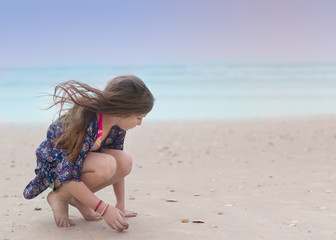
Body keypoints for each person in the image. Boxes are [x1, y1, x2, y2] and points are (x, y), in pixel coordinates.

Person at [23, 75, 155, 231]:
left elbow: (118, 166)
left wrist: (120, 205)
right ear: (121, 110)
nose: (140, 123)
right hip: (56, 171)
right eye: (139, 117)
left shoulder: (117, 126)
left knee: (124, 161)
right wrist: (104, 209)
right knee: (107, 164)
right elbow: (68, 173)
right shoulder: (86, 122)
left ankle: (78, 199)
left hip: (78, 167)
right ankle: (59, 197)